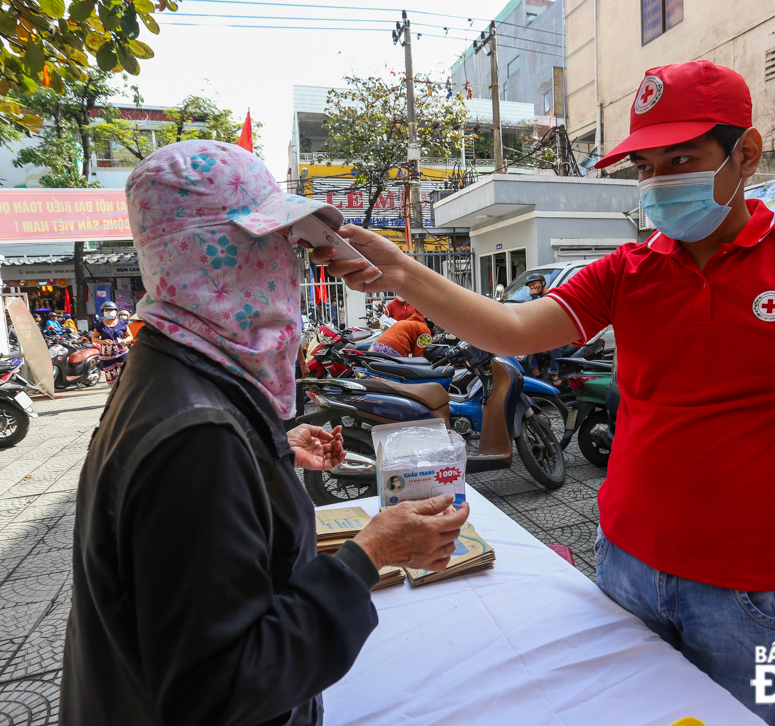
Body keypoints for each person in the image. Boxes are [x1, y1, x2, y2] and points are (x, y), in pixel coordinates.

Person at [323, 61, 775, 724]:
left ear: (745, 153)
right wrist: (398, 267)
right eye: (646, 168)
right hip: (624, 565)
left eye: (681, 159)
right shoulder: (626, 272)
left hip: (750, 591)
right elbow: (511, 328)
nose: (659, 183)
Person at [62, 140, 470, 726]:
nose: (288, 262)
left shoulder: (170, 369)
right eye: (272, 243)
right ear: (208, 254)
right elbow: (223, 689)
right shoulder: (197, 437)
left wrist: (266, 455)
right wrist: (372, 553)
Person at [525, 273, 564, 384]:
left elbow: (542, 309)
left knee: (557, 342)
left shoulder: (552, 295)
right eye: (530, 286)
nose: (532, 288)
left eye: (534, 284)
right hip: (545, 331)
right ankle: (534, 367)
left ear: (543, 283)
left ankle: (554, 372)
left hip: (559, 331)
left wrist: (533, 299)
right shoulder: (538, 298)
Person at [90, 301, 133, 386]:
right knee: (111, 377)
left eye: (112, 310)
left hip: (122, 353)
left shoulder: (122, 324)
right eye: (107, 310)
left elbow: (130, 336)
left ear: (116, 311)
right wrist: (103, 341)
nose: (110, 312)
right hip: (107, 356)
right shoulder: (99, 326)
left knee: (126, 373)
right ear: (103, 312)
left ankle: (126, 391)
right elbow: (94, 338)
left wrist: (125, 341)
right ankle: (114, 393)